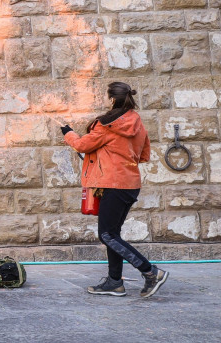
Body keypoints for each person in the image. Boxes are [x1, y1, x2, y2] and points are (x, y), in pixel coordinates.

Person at [60, 81, 168, 298]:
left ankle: (150, 271)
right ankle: (114, 282)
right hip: (130, 185)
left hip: (112, 185)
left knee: (107, 234)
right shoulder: (137, 122)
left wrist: (67, 132)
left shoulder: (106, 125)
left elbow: (81, 145)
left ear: (112, 99)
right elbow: (144, 156)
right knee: (113, 233)